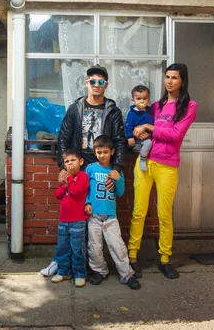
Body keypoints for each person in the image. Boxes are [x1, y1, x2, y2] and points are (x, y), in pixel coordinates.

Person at [40, 65, 126, 277]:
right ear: (86, 83)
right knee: (73, 218)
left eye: (101, 82)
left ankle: (90, 267)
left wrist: (117, 168)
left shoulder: (112, 111)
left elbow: (120, 142)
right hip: (78, 167)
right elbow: (63, 138)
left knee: (95, 219)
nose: (96, 85)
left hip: (100, 167)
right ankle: (62, 262)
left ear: (106, 85)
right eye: (93, 81)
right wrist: (63, 167)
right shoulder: (75, 108)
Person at [128, 63, 198, 280]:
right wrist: (138, 132)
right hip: (144, 163)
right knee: (139, 211)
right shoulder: (155, 106)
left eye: (174, 77)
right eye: (167, 77)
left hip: (167, 165)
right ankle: (132, 257)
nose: (169, 81)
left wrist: (149, 128)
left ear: (182, 81)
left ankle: (165, 259)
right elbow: (138, 126)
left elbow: (175, 135)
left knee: (164, 214)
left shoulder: (189, 106)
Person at [84, 135, 141, 290]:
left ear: (112, 152)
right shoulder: (90, 169)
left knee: (118, 246)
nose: (102, 155)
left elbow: (121, 192)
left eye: (105, 152)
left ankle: (127, 274)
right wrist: (87, 202)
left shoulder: (116, 171)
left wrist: (118, 179)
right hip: (94, 216)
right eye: (99, 152)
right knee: (94, 246)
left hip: (110, 217)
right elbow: (84, 189)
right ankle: (99, 271)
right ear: (94, 152)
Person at [51, 148, 90, 287]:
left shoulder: (82, 176)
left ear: (81, 161)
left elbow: (75, 191)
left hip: (78, 221)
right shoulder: (66, 178)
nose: (69, 164)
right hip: (64, 220)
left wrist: (68, 180)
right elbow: (58, 194)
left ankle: (79, 274)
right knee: (63, 248)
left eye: (72, 160)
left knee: (78, 249)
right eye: (66, 161)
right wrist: (64, 185)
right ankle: (63, 272)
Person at [125, 85, 154, 172]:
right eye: (138, 99)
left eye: (144, 98)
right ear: (133, 100)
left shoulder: (150, 111)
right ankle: (143, 159)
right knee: (148, 143)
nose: (142, 101)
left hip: (149, 134)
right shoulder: (132, 113)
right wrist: (130, 137)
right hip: (137, 137)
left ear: (148, 99)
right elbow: (128, 126)